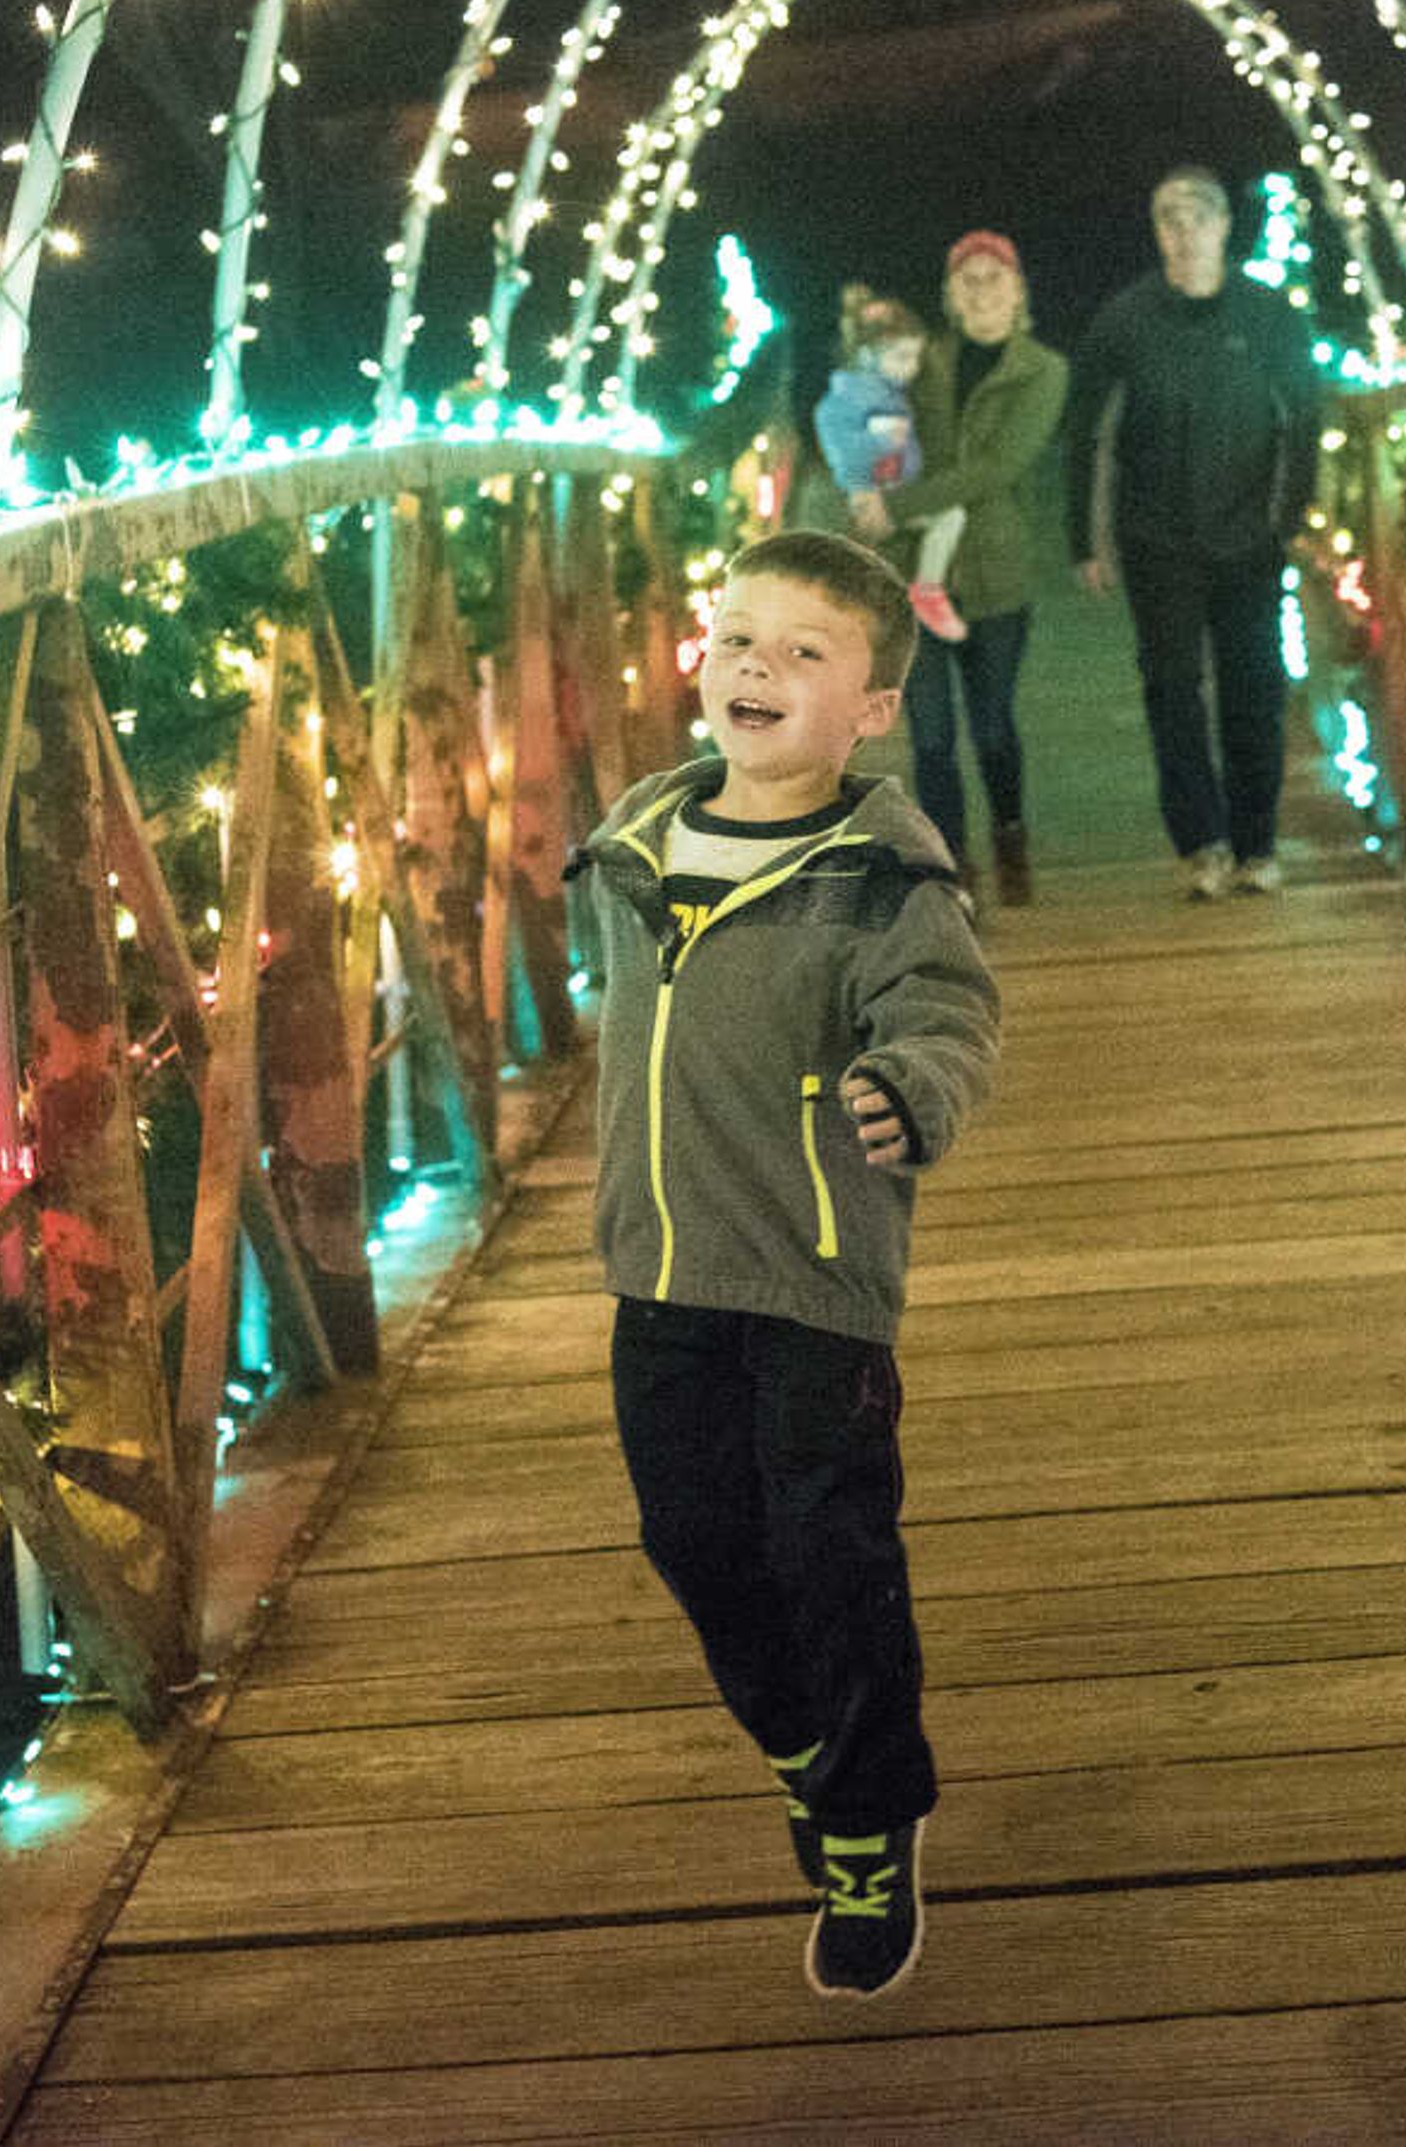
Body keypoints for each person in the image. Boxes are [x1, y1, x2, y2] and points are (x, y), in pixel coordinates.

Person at [567, 528, 1002, 2000]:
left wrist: (912, 1086)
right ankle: (803, 1743)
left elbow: (947, 1014)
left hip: (816, 1279)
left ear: (871, 709)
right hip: (661, 1274)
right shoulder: (634, 842)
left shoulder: (882, 874)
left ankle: (871, 1816)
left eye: (804, 651)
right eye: (737, 636)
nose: (757, 665)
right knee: (692, 1539)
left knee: (831, 1549)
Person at [1062, 165, 1324, 900]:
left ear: (1222, 227)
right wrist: (1083, 539)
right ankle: (1200, 841)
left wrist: (1293, 516)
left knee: (1254, 689)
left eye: (1196, 217)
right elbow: (1085, 431)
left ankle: (1257, 844)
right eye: (1168, 219)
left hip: (1250, 536)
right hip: (1155, 536)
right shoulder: (1125, 319)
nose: (1183, 232)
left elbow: (1304, 419)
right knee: (1172, 688)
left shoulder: (1269, 315)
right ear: (1157, 232)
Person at [852, 230, 1066, 905]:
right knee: (934, 735)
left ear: (1018, 289)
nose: (981, 290)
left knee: (994, 724)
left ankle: (1009, 833)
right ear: (948, 294)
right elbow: (876, 414)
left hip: (997, 574)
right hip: (917, 571)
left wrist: (900, 503)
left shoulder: (1044, 372)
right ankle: (949, 872)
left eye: (994, 278)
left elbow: (998, 467)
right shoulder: (923, 363)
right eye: (967, 280)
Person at [813, 295, 968, 643]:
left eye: (915, 357)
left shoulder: (888, 393)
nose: (911, 367)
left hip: (897, 491)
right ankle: (921, 594)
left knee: (947, 518)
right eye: (902, 357)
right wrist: (877, 446)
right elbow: (840, 448)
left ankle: (924, 592)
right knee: (944, 519)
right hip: (867, 496)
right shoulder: (849, 399)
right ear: (868, 356)